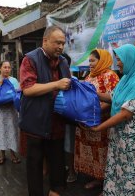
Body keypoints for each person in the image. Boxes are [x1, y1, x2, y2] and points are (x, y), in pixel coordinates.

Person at [91, 44, 135, 195]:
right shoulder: (126, 79)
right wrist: (92, 92)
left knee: (132, 169)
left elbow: (125, 114)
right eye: (117, 59)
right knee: (120, 167)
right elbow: (112, 97)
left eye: (120, 59)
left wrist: (99, 127)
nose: (118, 63)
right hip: (122, 134)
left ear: (130, 59)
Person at [19, 25, 71, 196]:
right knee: (35, 166)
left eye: (63, 43)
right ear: (45, 41)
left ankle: (55, 191)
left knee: (57, 164)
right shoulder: (30, 59)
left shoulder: (63, 61)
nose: (61, 47)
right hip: (36, 123)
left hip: (57, 123)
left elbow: (68, 85)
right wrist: (56, 84)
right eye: (57, 43)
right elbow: (28, 89)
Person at [74, 49, 119, 192]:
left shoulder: (110, 76)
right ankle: (98, 179)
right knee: (94, 155)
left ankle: (107, 184)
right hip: (87, 124)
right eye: (89, 61)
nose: (90, 64)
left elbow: (114, 99)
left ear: (102, 60)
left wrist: (95, 112)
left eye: (93, 61)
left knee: (104, 154)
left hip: (102, 124)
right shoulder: (89, 76)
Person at [60, 53, 77, 183]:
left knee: (69, 145)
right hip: (55, 118)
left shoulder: (74, 80)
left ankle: (71, 170)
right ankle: (62, 168)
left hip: (68, 119)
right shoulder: (52, 78)